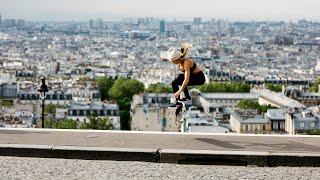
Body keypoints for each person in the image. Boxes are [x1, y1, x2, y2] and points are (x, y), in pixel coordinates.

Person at [166, 43, 206, 115]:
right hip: (193, 77)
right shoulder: (180, 63)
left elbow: (186, 79)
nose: (172, 63)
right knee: (175, 82)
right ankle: (181, 101)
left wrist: (179, 91)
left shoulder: (186, 62)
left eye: (173, 61)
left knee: (180, 80)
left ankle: (181, 101)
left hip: (199, 78)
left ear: (177, 59)